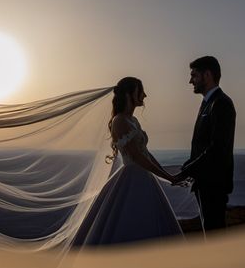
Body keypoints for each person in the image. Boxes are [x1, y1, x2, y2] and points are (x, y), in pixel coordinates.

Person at [73, 77, 184, 246]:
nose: (145, 95)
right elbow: (137, 157)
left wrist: (169, 175)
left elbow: (145, 153)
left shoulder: (133, 121)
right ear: (129, 93)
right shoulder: (119, 121)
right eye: (141, 91)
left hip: (144, 177)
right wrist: (169, 178)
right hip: (132, 179)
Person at [173, 56, 236, 234]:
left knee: (214, 235)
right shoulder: (207, 103)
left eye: (194, 75)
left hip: (214, 183)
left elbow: (217, 148)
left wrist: (188, 169)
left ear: (207, 75)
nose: (190, 80)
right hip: (206, 182)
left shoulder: (221, 103)